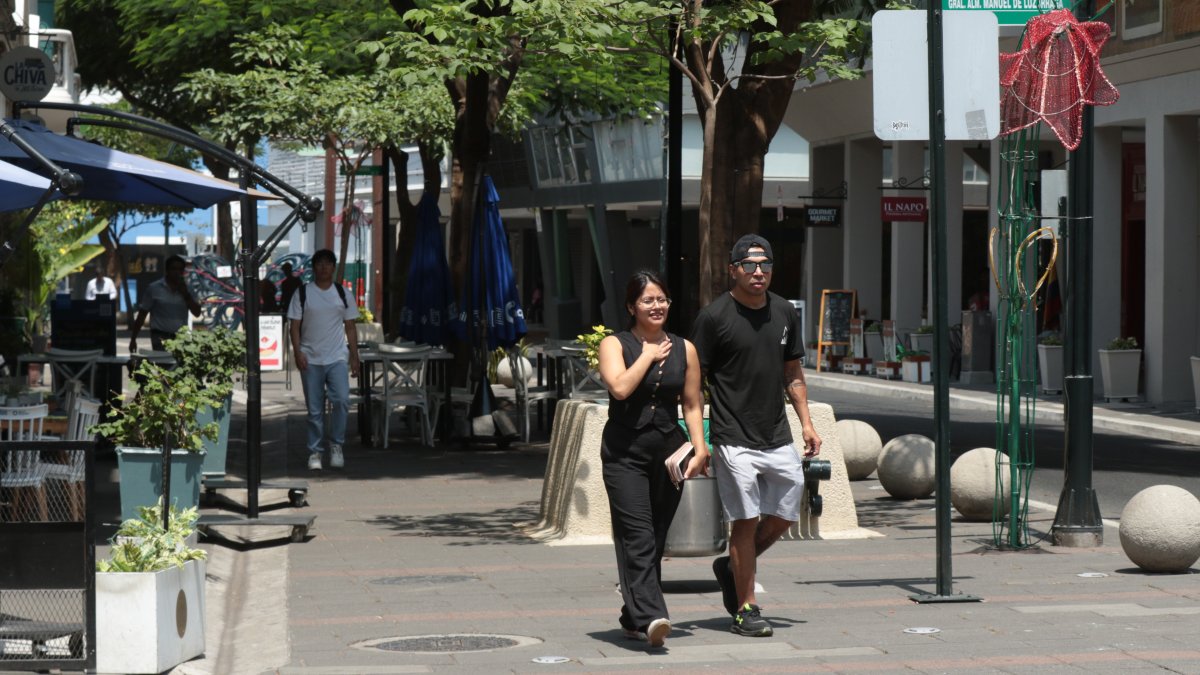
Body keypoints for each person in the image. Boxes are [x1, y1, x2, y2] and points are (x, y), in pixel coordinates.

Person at [690, 233, 822, 638]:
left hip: (777, 435)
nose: (758, 272)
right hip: (733, 437)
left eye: (765, 264)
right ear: (734, 270)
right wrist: (701, 439)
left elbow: (792, 372)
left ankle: (731, 566)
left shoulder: (783, 311)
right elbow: (695, 382)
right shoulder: (714, 318)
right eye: (749, 265)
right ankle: (746, 607)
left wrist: (806, 422)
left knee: (785, 515)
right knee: (744, 522)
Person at [596, 270, 709, 649]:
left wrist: (700, 447)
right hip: (623, 453)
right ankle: (652, 617)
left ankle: (631, 616)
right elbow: (621, 387)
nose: (657, 306)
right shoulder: (615, 344)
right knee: (638, 534)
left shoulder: (685, 348)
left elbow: (692, 403)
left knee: (656, 536)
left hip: (668, 454)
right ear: (632, 307)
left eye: (662, 299)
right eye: (648, 300)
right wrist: (646, 356)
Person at [287, 249, 359, 471]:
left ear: (334, 267)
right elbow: (294, 327)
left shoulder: (343, 293)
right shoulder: (302, 293)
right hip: (310, 358)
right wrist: (298, 353)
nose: (324, 267)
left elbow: (350, 326)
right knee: (315, 409)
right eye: (320, 263)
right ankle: (315, 452)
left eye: (328, 263)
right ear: (313, 267)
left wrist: (355, 356)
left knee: (341, 401)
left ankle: (336, 446)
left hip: (337, 356)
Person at [129, 254, 202, 352]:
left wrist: (186, 294)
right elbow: (142, 314)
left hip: (181, 337)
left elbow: (197, 313)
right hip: (160, 336)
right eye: (173, 269)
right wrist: (133, 339)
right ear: (167, 270)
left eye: (180, 270)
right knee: (163, 364)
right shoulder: (154, 288)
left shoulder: (189, 289)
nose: (177, 272)